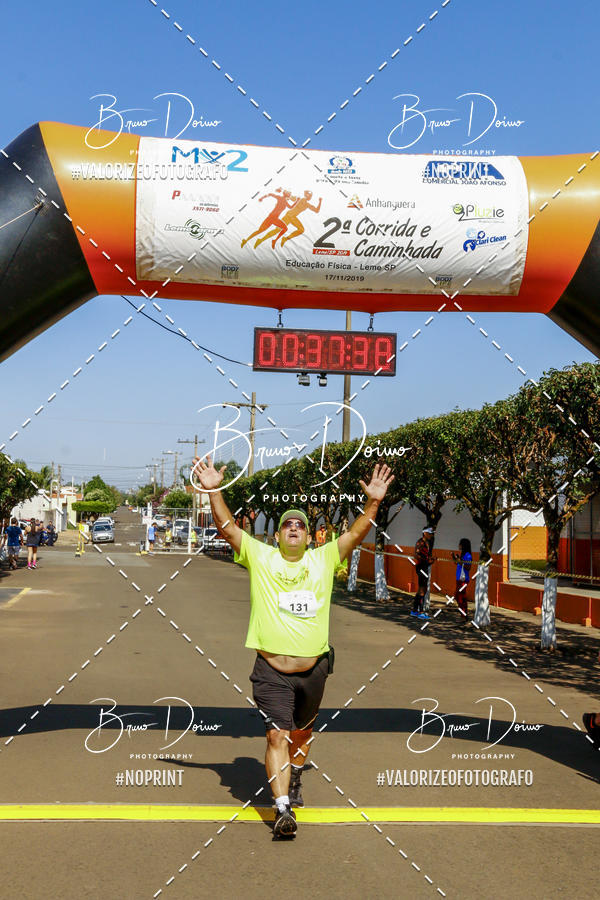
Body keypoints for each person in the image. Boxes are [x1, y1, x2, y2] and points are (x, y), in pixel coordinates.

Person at [193, 455, 394, 839]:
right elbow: (228, 527)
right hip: (271, 671)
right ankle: (282, 808)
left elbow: (354, 535)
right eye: (287, 523)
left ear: (309, 535)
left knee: (301, 735)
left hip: (314, 670)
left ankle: (296, 774)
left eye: (301, 524)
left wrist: (374, 502)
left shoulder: (323, 560)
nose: (295, 527)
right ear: (277, 534)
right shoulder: (262, 558)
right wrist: (213, 490)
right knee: (276, 735)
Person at [411, 526, 435, 619]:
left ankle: (414, 610)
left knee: (421, 589)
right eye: (429, 533)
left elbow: (426, 556)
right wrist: (426, 560)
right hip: (421, 567)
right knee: (422, 590)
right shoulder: (420, 542)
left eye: (431, 533)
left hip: (424, 567)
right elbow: (416, 555)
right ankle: (421, 612)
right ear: (424, 533)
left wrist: (430, 560)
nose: (431, 535)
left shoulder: (427, 542)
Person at [452, 538, 473, 623]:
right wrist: (454, 557)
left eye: (460, 544)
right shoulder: (463, 554)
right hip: (459, 579)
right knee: (459, 596)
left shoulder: (468, 555)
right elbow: (457, 563)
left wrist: (460, 561)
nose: (459, 545)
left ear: (463, 545)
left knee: (460, 597)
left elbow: (468, 567)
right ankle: (463, 614)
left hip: (464, 579)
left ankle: (464, 615)